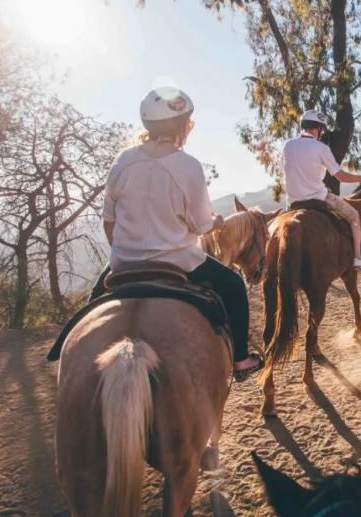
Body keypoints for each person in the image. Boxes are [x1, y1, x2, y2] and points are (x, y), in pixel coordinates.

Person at [89, 87, 262, 379]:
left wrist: (124, 253)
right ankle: (241, 360)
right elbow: (199, 225)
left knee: (93, 304)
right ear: (184, 126)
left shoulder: (123, 160)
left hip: (124, 262)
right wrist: (216, 222)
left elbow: (109, 220)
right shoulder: (188, 166)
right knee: (233, 285)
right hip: (180, 261)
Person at [282, 109, 361, 269]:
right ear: (318, 129)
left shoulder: (287, 145)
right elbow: (340, 176)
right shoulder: (321, 148)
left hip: (293, 202)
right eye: (321, 130)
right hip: (319, 198)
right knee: (354, 216)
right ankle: (358, 257)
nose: (321, 133)